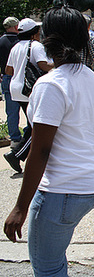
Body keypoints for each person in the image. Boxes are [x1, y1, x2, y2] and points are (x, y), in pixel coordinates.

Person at [3, 6, 94, 276]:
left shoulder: (51, 84)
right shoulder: (90, 77)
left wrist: (20, 207)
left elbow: (40, 150)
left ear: (47, 38)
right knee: (55, 255)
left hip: (64, 190)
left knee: (47, 267)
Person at [4, 18, 53, 173]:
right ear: (33, 33)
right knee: (37, 126)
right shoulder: (36, 46)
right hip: (29, 90)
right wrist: (59, 63)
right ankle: (16, 154)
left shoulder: (16, 47)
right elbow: (42, 65)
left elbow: (8, 70)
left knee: (32, 124)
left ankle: (18, 153)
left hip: (16, 88)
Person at [0, 17, 22, 147]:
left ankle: (14, 138)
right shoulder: (20, 42)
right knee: (28, 107)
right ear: (15, 27)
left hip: (6, 77)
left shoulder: (1, 41)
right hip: (20, 77)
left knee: (11, 110)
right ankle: (30, 132)